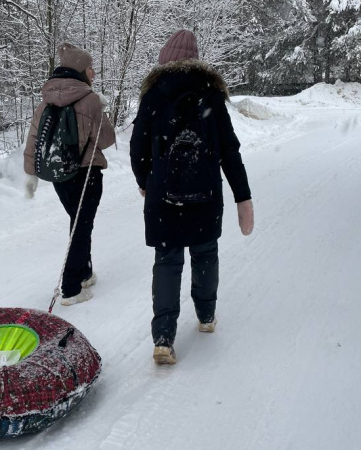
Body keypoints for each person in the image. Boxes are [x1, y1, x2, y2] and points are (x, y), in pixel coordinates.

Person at [130, 30, 254, 365]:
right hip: (205, 195)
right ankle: (206, 316)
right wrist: (243, 196)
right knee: (205, 254)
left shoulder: (153, 95)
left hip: (163, 198)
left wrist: (146, 181)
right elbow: (230, 150)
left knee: (167, 261)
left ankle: (163, 337)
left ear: (166, 58)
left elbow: (137, 147)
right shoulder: (211, 95)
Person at [24, 43, 116, 306]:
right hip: (87, 173)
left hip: (59, 174)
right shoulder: (90, 100)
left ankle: (84, 272)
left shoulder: (45, 102)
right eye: (91, 68)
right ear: (81, 70)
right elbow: (107, 139)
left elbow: (34, 139)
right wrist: (101, 110)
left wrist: (30, 174)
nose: (94, 73)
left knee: (78, 222)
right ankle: (71, 288)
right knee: (81, 226)